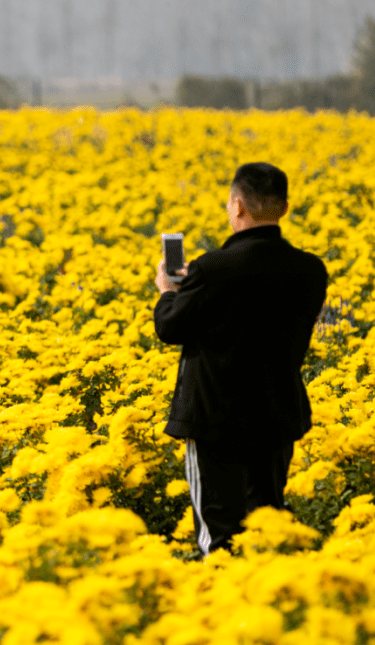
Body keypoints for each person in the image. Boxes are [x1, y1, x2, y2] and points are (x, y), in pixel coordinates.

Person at [154, 162, 328, 555]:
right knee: (267, 524)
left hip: (215, 421)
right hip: (277, 415)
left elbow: (170, 328)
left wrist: (168, 290)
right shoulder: (310, 270)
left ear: (237, 207)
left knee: (218, 536)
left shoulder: (212, 269)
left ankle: (226, 606)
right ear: (284, 208)